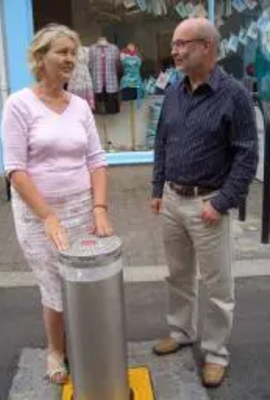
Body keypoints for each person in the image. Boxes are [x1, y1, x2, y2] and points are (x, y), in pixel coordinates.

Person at [1, 24, 112, 385]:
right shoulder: (19, 104)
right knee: (53, 285)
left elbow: (96, 160)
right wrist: (48, 215)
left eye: (72, 52)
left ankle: (83, 342)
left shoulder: (80, 105)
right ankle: (55, 350)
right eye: (61, 52)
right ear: (40, 57)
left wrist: (99, 208)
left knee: (84, 281)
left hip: (81, 209)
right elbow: (15, 169)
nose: (69, 59)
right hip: (38, 216)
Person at [151, 18, 258, 388]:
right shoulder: (174, 91)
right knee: (178, 275)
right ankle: (181, 331)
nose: (175, 51)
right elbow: (162, 140)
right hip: (172, 199)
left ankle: (215, 352)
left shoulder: (235, 95)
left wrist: (224, 202)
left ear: (206, 47)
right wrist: (155, 188)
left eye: (183, 44)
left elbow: (247, 155)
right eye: (175, 44)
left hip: (208, 204)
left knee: (217, 285)